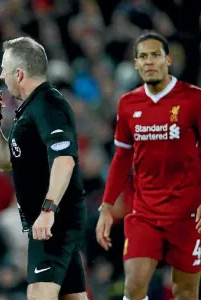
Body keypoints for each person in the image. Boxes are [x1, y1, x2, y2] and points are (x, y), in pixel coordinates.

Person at [95, 31, 201, 300]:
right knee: (133, 285)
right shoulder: (128, 103)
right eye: (143, 56)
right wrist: (107, 205)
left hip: (187, 213)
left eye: (156, 55)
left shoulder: (193, 99)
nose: (150, 61)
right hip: (145, 212)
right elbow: (122, 157)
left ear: (168, 60)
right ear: (135, 63)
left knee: (185, 292)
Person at [0, 36, 87, 300]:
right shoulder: (29, 110)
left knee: (39, 294)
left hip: (53, 221)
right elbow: (6, 161)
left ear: (19, 73)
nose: (1, 76)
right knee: (73, 296)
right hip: (47, 221)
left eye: (5, 70)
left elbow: (65, 159)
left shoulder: (49, 104)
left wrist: (48, 209)